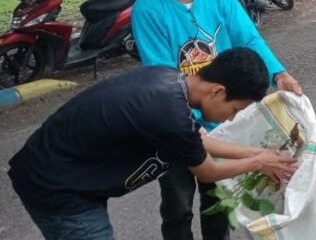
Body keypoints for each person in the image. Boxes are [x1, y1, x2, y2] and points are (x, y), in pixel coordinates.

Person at [8, 48, 297, 240]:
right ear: (218, 91)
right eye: (233, 110)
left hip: (69, 176)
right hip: (58, 188)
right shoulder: (167, 111)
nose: (229, 118)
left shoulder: (169, 83)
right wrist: (259, 162)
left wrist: (261, 152)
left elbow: (202, 141)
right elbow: (207, 172)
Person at [132, 0, 303, 240]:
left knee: (219, 201)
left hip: (224, 120)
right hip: (176, 125)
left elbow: (248, 40)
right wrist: (188, 123)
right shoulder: (148, 10)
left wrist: (279, 73)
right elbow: (160, 74)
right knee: (177, 204)